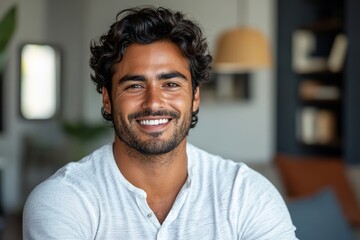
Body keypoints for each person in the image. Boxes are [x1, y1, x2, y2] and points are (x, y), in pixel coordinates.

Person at [23, 6, 297, 239]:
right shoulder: (63, 200)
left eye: (171, 84)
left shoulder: (246, 194)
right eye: (134, 86)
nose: (153, 102)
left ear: (195, 97)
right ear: (107, 99)